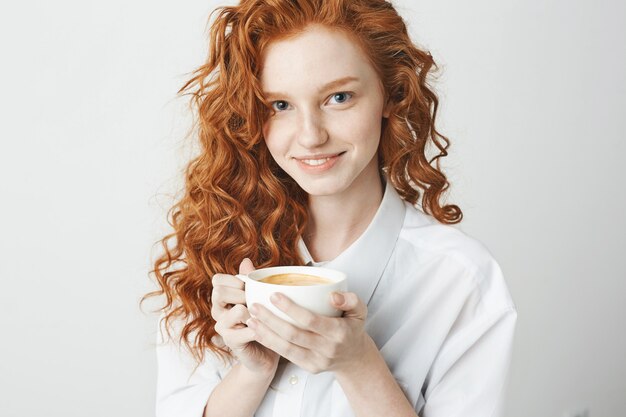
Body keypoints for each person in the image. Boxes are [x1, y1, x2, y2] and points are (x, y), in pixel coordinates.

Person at [146, 1, 517, 416]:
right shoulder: (210, 254)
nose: (310, 136)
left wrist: (359, 364)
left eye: (339, 97)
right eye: (280, 106)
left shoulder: (460, 280)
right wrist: (253, 371)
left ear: (391, 94)